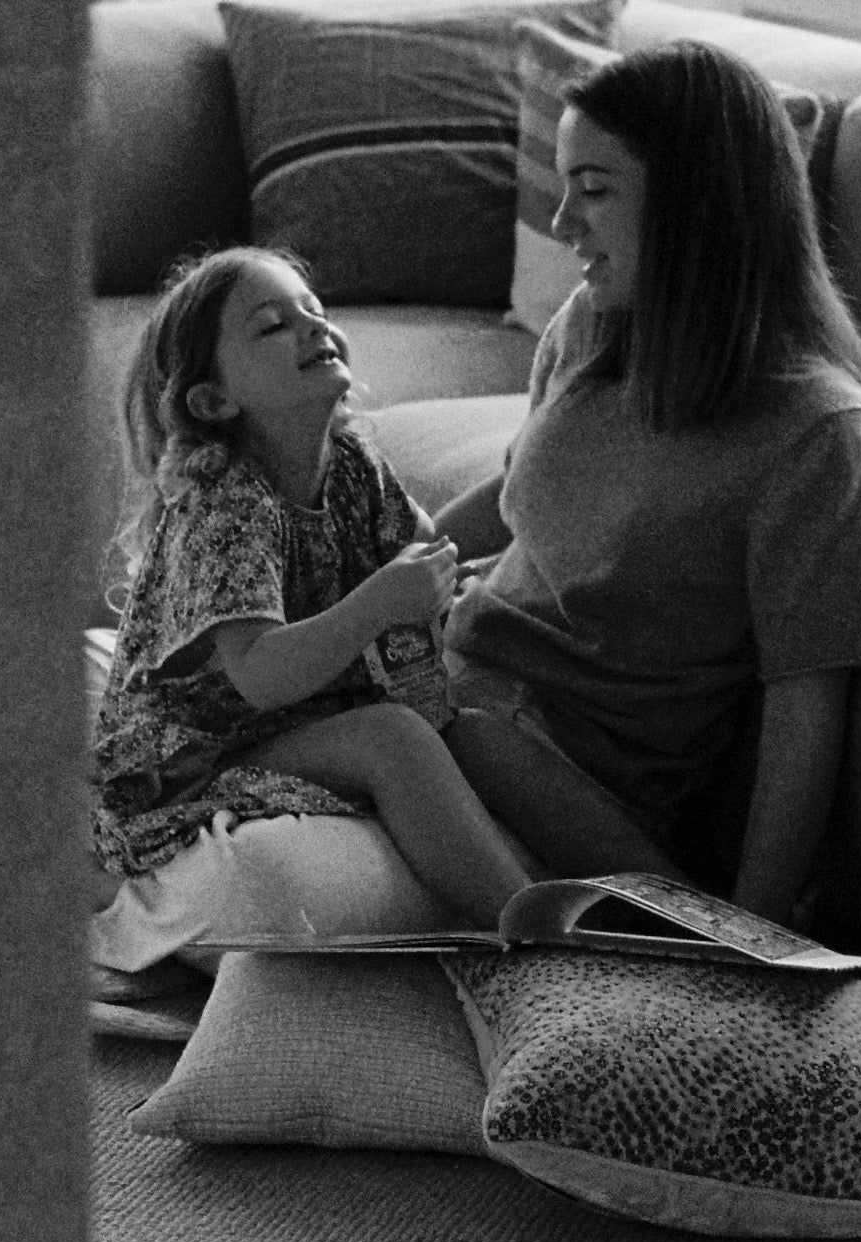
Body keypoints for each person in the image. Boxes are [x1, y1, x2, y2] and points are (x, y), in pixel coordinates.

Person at [439, 42, 861, 923]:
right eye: (564, 184)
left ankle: (674, 923)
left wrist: (754, 931)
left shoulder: (816, 435)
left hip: (565, 775)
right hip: (453, 691)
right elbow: (512, 503)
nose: (562, 222)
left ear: (697, 205)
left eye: (597, 189)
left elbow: (805, 714)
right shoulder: (592, 328)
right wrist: (356, 570)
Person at [91, 246, 534, 927]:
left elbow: (424, 551)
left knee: (479, 733)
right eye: (272, 325)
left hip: (304, 717)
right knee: (393, 738)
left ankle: (674, 902)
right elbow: (260, 676)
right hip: (203, 755)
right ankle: (538, 931)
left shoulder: (354, 462)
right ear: (214, 399)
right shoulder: (226, 504)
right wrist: (379, 603)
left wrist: (467, 575)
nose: (312, 327)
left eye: (315, 311)